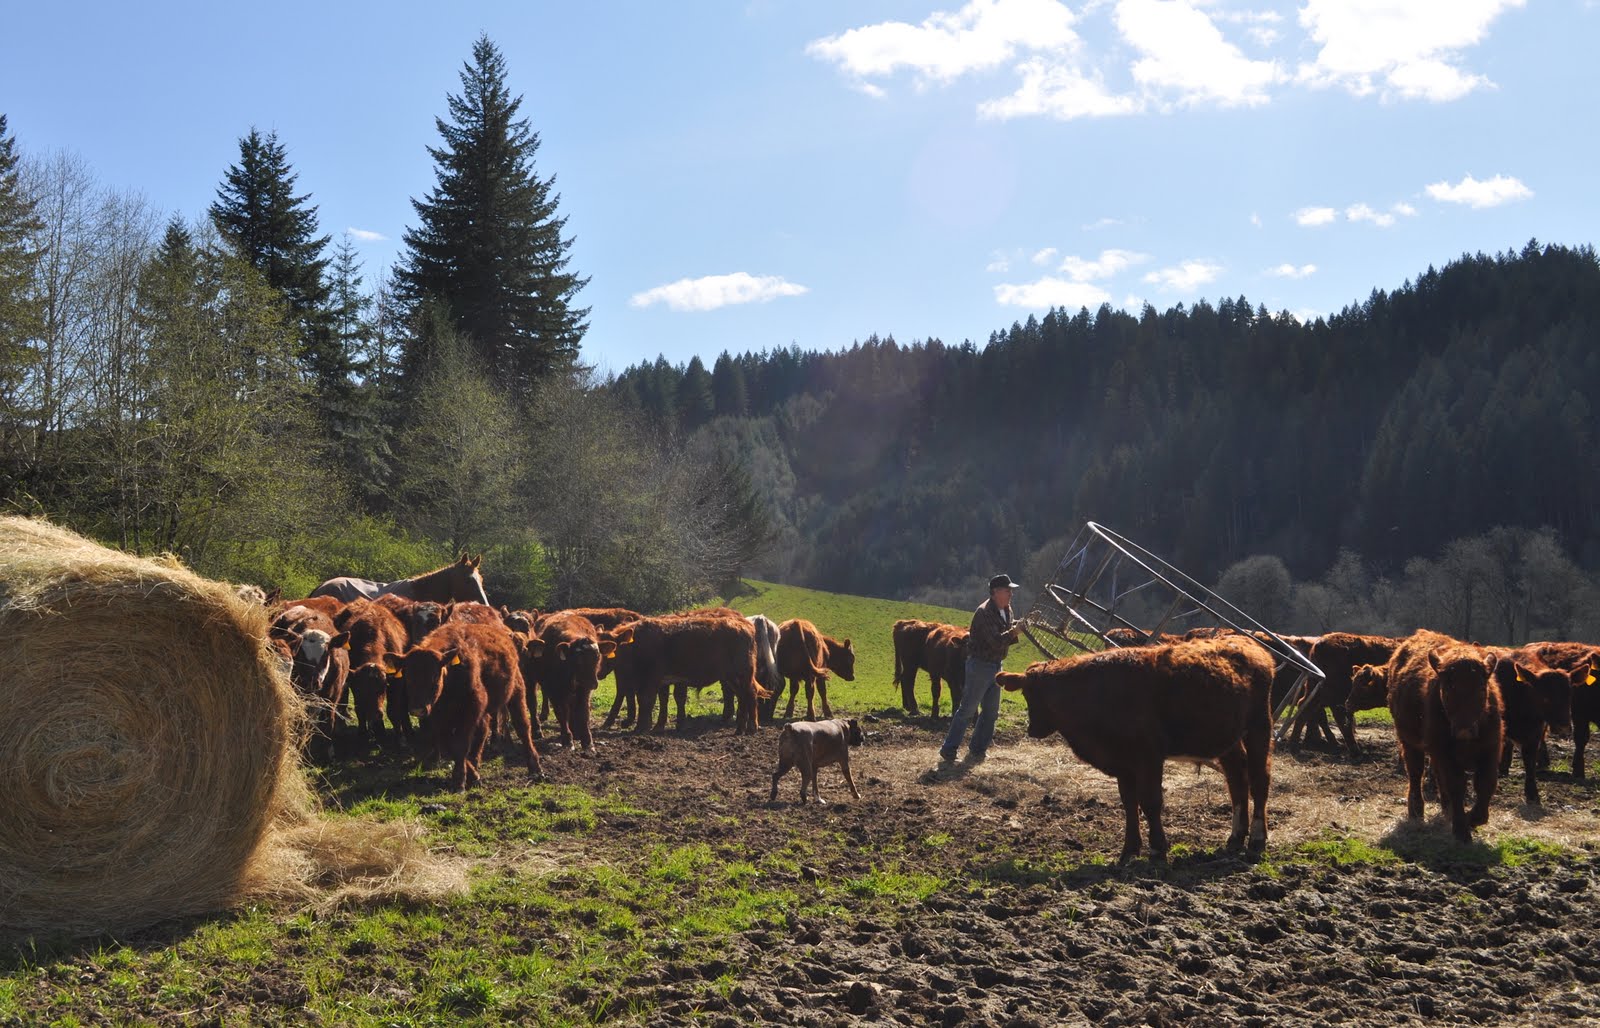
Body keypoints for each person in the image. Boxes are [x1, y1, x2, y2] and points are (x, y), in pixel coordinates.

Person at [939, 573, 1023, 766]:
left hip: (995, 666)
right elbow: (995, 642)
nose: (1011, 593)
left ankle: (978, 750)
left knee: (991, 712)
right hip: (980, 666)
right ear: (995, 592)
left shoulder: (1007, 610)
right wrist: (1015, 632)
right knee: (968, 709)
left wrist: (1015, 628)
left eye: (1011, 590)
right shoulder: (983, 612)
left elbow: (1005, 637)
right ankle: (949, 749)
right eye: (1007, 590)